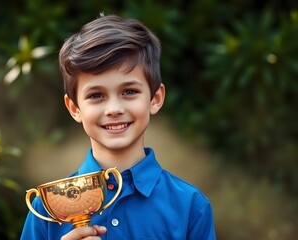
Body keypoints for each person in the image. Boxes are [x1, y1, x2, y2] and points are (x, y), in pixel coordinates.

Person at [21, 14, 216, 240]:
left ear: (155, 98)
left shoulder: (190, 206)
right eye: (96, 95)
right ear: (74, 108)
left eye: (129, 92)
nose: (114, 108)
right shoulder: (46, 209)